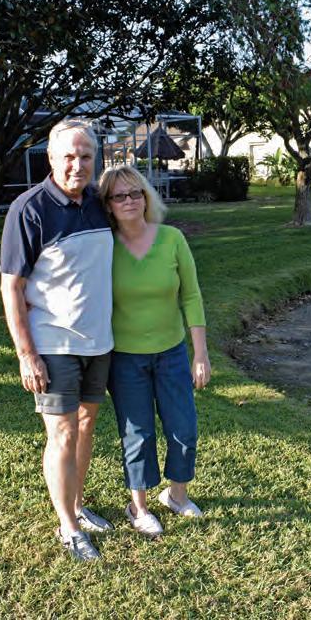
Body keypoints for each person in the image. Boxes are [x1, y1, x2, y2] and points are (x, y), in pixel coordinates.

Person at [0, 119, 114, 561]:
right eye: (68, 156)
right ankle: (68, 526)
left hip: (98, 342)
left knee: (85, 427)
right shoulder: (28, 209)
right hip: (54, 343)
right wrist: (26, 354)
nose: (77, 165)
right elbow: (11, 286)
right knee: (63, 433)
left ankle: (78, 505)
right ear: (50, 158)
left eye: (86, 156)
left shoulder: (100, 203)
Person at [97, 164, 210, 537]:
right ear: (108, 204)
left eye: (135, 193)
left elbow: (191, 296)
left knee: (184, 427)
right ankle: (139, 506)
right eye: (119, 196)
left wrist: (200, 353)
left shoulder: (172, 239)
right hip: (125, 359)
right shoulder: (104, 247)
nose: (129, 201)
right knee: (138, 433)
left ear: (146, 197)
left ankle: (177, 496)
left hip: (172, 354)